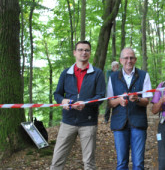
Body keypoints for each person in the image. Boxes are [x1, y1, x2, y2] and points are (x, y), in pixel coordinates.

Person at [50, 41, 106, 170]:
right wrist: (62, 101)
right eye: (80, 50)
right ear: (75, 52)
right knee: (57, 160)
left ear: (90, 53)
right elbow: (57, 94)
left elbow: (101, 96)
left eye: (86, 50)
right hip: (68, 121)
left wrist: (85, 104)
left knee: (89, 163)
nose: (83, 52)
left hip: (88, 122)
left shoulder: (97, 73)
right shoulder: (66, 73)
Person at [106, 47, 153, 170]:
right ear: (121, 60)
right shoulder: (113, 77)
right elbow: (110, 102)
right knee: (121, 163)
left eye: (131, 58)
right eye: (126, 58)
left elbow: (146, 101)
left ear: (135, 60)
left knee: (138, 163)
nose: (129, 60)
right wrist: (118, 101)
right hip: (119, 123)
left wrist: (137, 99)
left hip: (138, 122)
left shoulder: (144, 75)